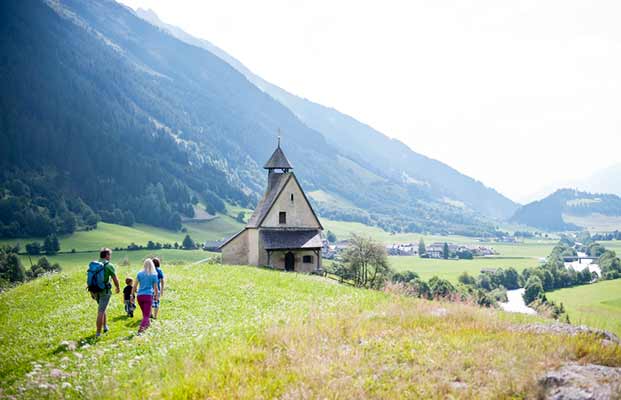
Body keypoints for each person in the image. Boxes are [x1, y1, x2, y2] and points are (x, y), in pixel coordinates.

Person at [93, 248, 120, 337]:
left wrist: (92, 292)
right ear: (106, 255)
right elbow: (115, 278)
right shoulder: (109, 265)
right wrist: (118, 287)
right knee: (101, 311)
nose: (110, 257)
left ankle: (105, 326)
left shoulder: (95, 264)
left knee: (102, 308)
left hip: (95, 290)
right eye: (109, 255)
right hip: (105, 290)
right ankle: (98, 333)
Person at [132, 258, 159, 334]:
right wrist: (156, 296)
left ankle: (147, 325)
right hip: (148, 296)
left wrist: (132, 295)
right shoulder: (154, 275)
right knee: (147, 315)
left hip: (139, 296)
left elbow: (135, 285)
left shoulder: (139, 274)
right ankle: (141, 329)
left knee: (144, 313)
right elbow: (155, 287)